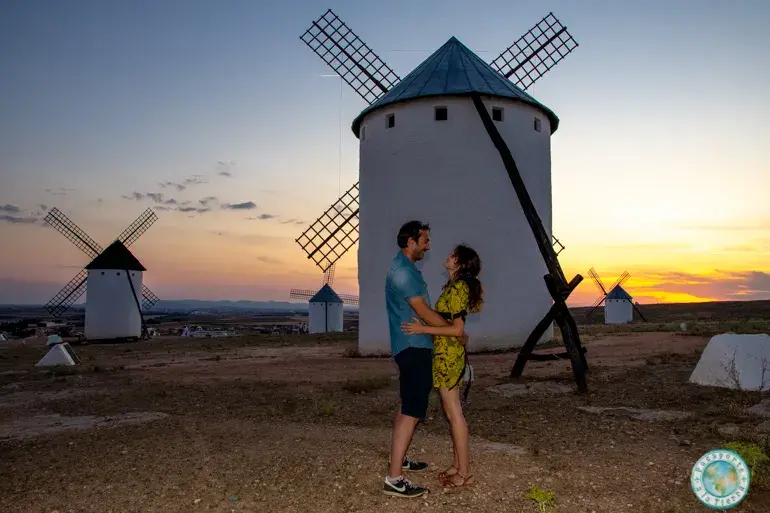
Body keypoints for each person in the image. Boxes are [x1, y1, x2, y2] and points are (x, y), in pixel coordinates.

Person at [382, 220, 457, 498]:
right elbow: (423, 311)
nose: (428, 246)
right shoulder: (403, 272)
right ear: (410, 241)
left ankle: (399, 460)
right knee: (412, 410)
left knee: (407, 405)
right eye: (425, 240)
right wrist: (453, 331)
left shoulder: (404, 268)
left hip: (411, 345)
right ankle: (394, 479)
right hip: (413, 346)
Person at [401, 243, 483, 489]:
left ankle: (464, 473)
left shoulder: (458, 288)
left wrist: (422, 328)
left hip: (448, 355)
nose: (448, 256)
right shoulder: (454, 286)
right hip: (445, 353)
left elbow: (456, 329)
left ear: (460, 263)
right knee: (451, 413)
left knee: (455, 414)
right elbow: (452, 325)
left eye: (453, 255)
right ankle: (458, 466)